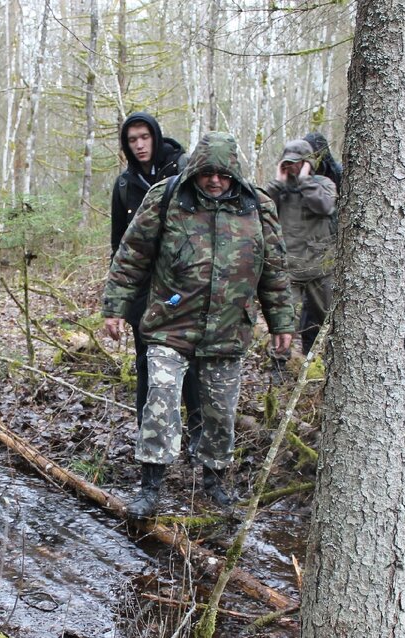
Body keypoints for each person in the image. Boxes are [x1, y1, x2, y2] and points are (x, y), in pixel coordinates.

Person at [103, 131, 294, 518]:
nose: (214, 180)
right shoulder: (168, 197)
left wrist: (281, 322)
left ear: (235, 174)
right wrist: (115, 307)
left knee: (220, 413)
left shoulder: (258, 206)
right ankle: (150, 485)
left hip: (228, 329)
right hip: (170, 323)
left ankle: (214, 481)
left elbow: (274, 269)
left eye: (222, 174)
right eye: (206, 173)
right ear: (195, 171)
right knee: (160, 401)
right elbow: (132, 255)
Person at [109, 113, 202, 448]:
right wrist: (118, 303)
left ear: (156, 136)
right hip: (144, 295)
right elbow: (119, 248)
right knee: (146, 365)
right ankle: (149, 437)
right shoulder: (124, 185)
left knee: (190, 365)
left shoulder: (183, 169)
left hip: (184, 290)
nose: (139, 145)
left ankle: (196, 436)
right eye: (132, 140)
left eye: (144, 137)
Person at [266, 138, 337, 355]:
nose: (291, 167)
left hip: (320, 267)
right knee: (283, 323)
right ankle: (279, 365)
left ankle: (331, 365)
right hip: (290, 267)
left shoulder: (323, 184)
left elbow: (324, 206)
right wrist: (278, 182)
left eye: (296, 162)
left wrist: (306, 180)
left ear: (307, 163)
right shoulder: (279, 189)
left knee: (331, 321)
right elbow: (261, 210)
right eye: (287, 162)